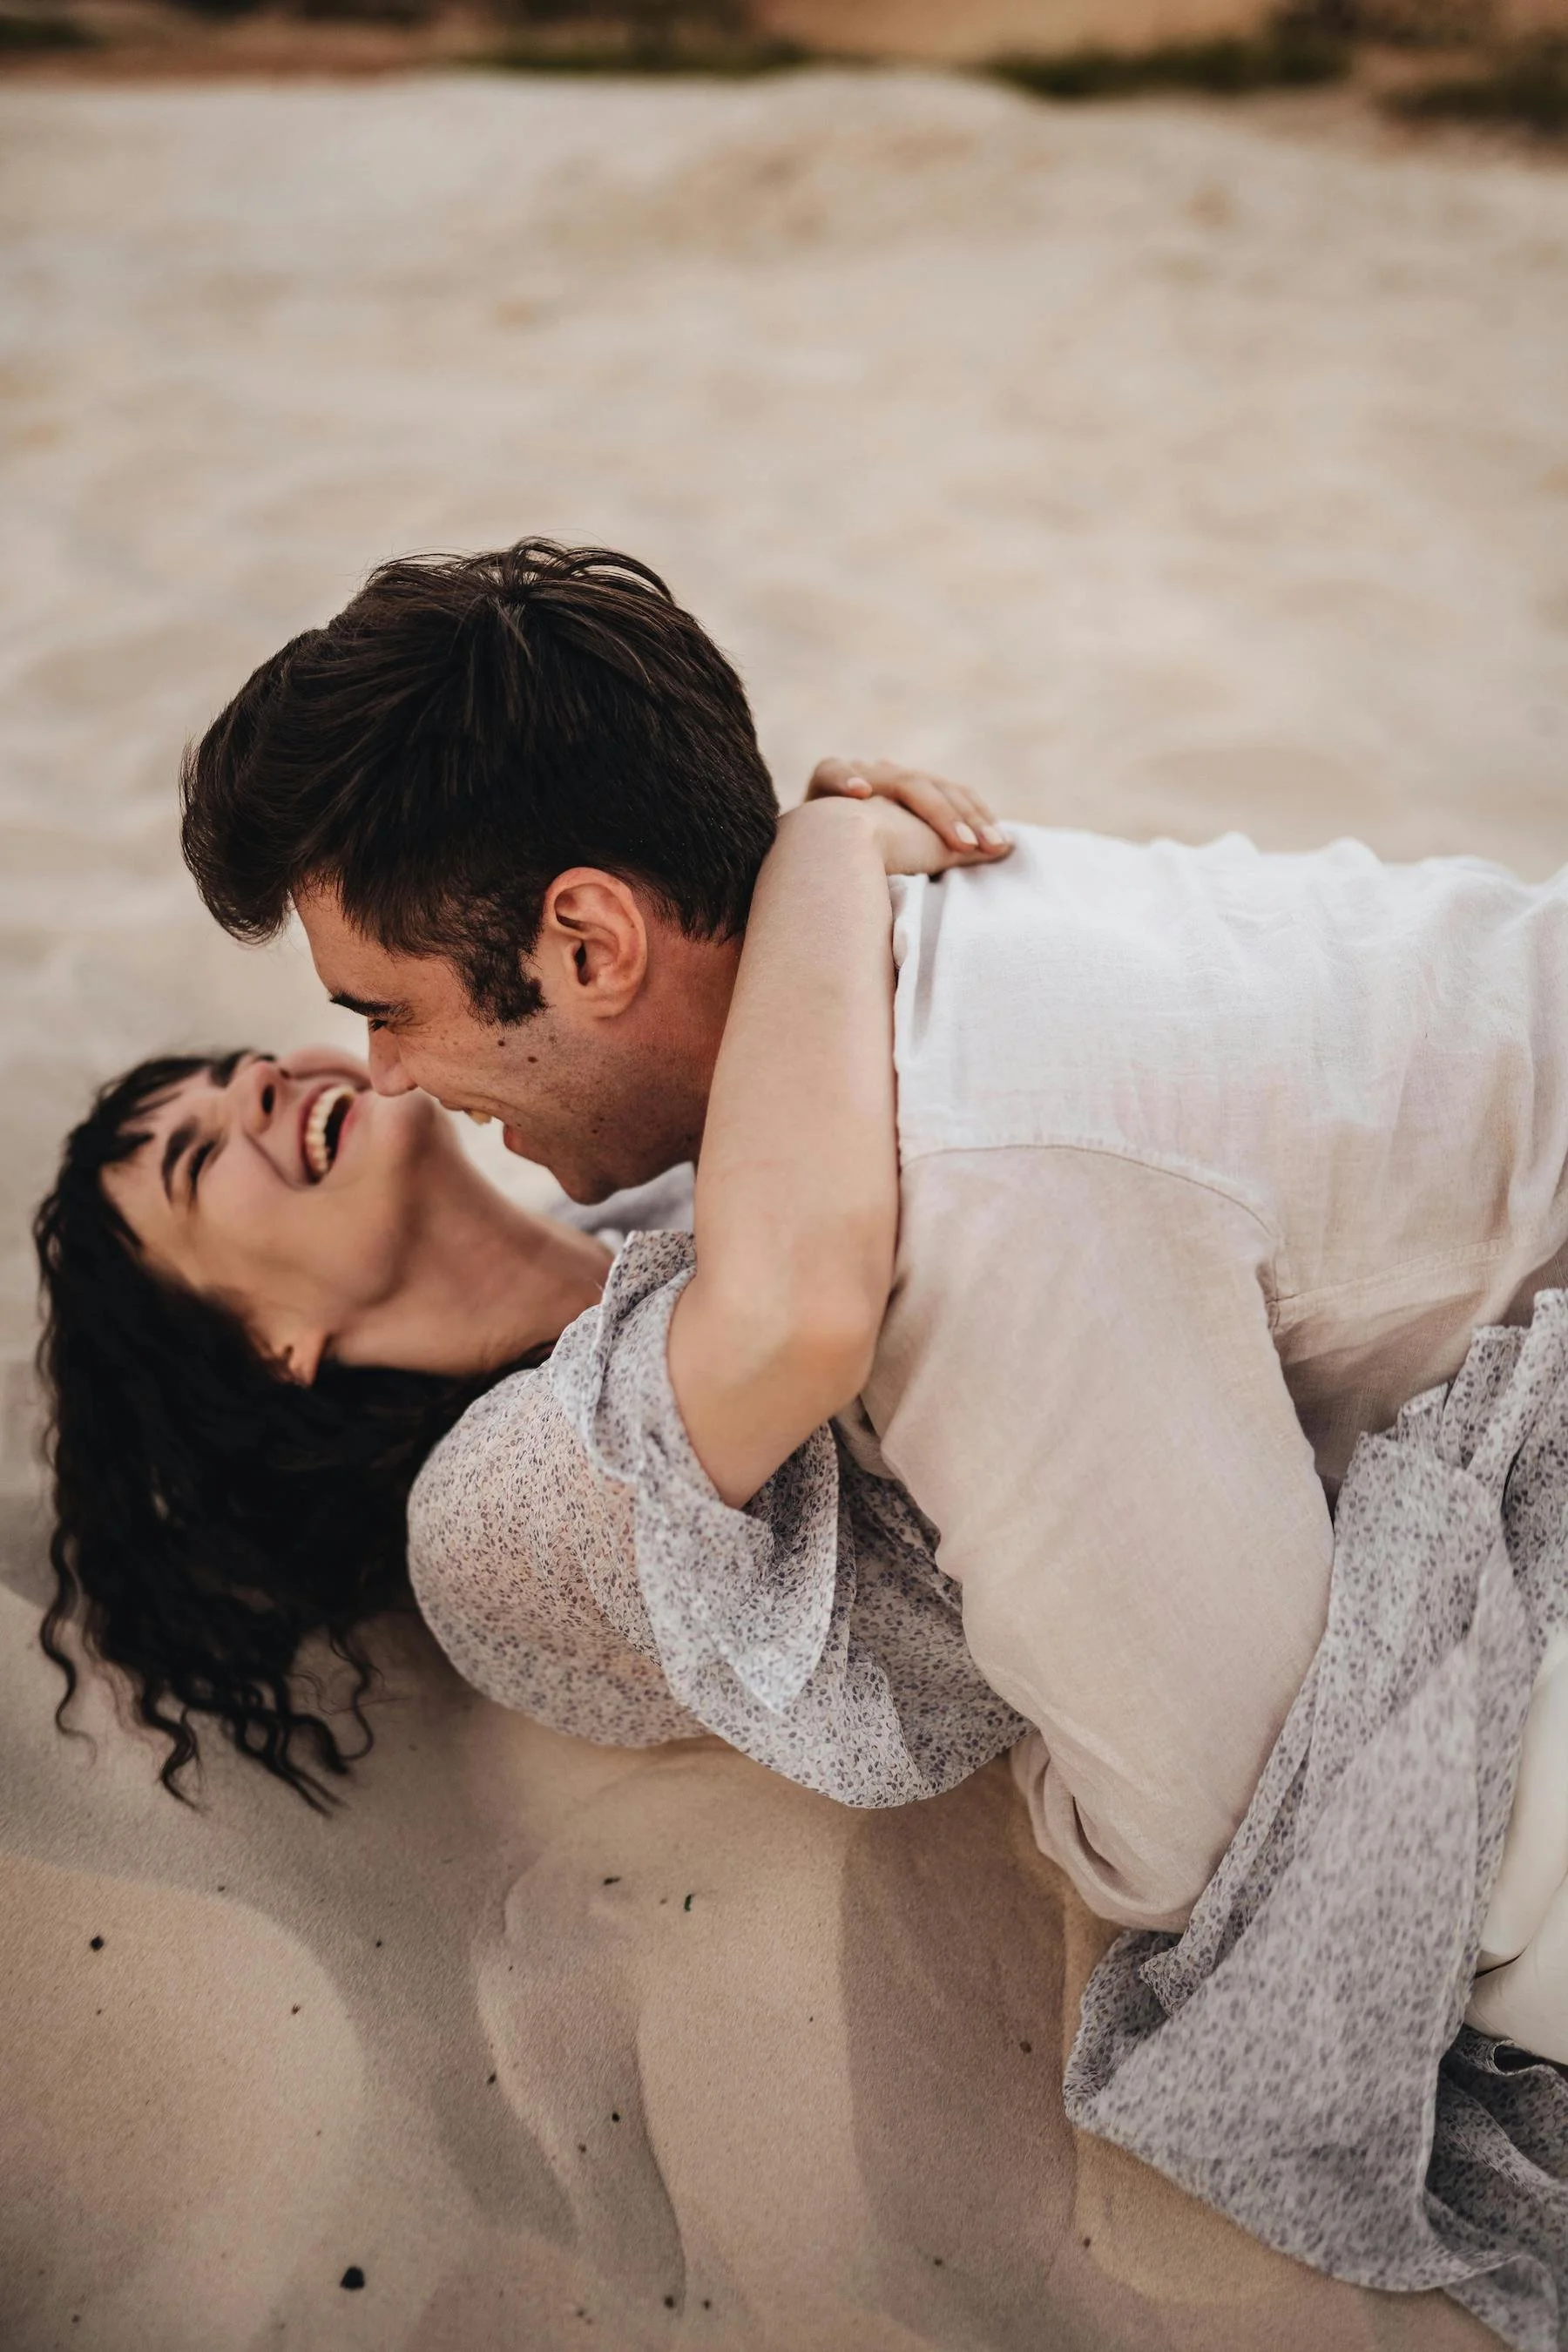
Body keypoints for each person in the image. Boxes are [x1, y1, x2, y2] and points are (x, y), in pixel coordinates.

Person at [179, 537, 1568, 1948]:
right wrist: (830, 847)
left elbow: (1227, 1845)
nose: (381, 1075)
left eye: (386, 1008)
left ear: (591, 947)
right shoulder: (931, 911)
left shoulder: (951, 1203)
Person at [35, 782, 1019, 1811]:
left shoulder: (625, 1190)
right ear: (272, 1343)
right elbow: (790, 1323)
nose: (261, 1084)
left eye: (243, 1067)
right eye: (199, 1160)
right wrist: (824, 850)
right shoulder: (482, 1519)